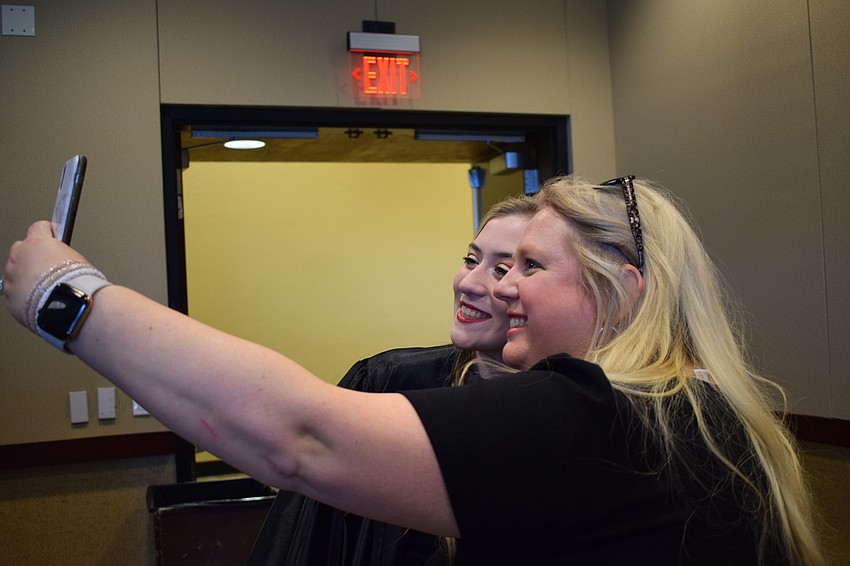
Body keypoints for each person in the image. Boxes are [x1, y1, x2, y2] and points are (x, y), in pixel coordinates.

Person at [2, 175, 823, 565]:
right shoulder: (703, 415)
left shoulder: (609, 417)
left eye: (528, 269)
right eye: (491, 266)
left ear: (621, 292)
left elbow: (300, 437)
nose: (497, 291)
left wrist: (65, 297)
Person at [248, 196, 538, 565]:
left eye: (502, 269)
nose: (470, 283)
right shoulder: (392, 380)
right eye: (470, 260)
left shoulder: (572, 411)